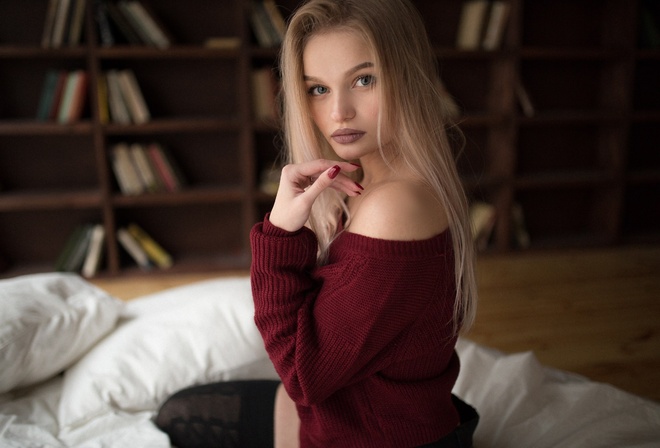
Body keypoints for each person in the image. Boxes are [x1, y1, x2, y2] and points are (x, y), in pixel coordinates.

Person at [156, 0, 478, 446]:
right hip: (343, 413)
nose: (338, 112)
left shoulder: (396, 206)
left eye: (364, 80)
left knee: (183, 420)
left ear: (408, 77)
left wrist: (279, 233)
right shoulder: (368, 182)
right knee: (180, 411)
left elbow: (302, 375)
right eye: (317, 89)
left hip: (372, 435)